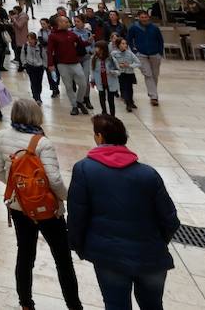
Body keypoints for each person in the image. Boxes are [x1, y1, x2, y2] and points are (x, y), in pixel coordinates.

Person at [68, 115, 179, 310]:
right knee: (153, 306)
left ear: (100, 137)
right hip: (151, 256)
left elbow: (77, 216)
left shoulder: (84, 169)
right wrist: (157, 242)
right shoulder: (148, 173)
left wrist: (79, 246)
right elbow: (170, 220)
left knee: (116, 306)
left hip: (109, 257)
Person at [0, 99, 82, 310]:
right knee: (62, 259)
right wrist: (66, 198)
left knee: (25, 254)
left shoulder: (2, 136)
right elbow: (54, 179)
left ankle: (26, 303)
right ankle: (74, 305)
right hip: (48, 209)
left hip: (19, 208)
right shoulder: (42, 142)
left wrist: (18, 187)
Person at [47, 15, 89, 116]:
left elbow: (81, 44)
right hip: (62, 65)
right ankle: (74, 106)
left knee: (83, 84)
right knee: (69, 86)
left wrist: (89, 41)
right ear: (59, 23)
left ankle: (79, 101)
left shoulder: (72, 34)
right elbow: (49, 51)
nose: (68, 24)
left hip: (75, 63)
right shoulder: (52, 36)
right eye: (66, 22)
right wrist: (50, 64)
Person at [125, 11, 164, 107]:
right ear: (138, 18)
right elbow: (129, 39)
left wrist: (160, 52)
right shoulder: (134, 28)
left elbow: (160, 40)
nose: (144, 19)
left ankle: (152, 92)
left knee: (155, 75)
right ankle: (153, 96)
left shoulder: (154, 28)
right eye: (142, 17)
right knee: (148, 74)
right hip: (141, 54)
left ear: (148, 17)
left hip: (155, 54)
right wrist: (134, 52)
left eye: (145, 17)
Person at [111, 36, 141, 113]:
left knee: (130, 89)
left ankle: (131, 101)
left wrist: (129, 65)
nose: (125, 45)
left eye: (125, 43)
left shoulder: (130, 53)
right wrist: (118, 65)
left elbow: (138, 63)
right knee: (124, 89)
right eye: (123, 43)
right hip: (121, 74)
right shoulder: (114, 53)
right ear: (118, 45)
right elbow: (111, 63)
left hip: (129, 73)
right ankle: (128, 104)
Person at [89, 41, 119, 116]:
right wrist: (92, 80)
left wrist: (112, 72)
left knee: (111, 100)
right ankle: (104, 112)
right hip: (100, 82)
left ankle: (112, 116)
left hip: (110, 82)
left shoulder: (111, 59)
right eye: (95, 47)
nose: (96, 49)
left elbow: (118, 71)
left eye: (97, 47)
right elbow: (92, 70)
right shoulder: (94, 59)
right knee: (102, 98)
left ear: (103, 49)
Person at [19, 32, 46, 102]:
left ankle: (38, 94)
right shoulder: (25, 46)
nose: (30, 41)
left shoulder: (40, 46)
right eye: (28, 39)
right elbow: (22, 55)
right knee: (33, 82)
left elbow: (44, 56)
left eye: (31, 39)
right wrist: (24, 64)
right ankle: (36, 97)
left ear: (35, 39)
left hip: (39, 67)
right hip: (30, 66)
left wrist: (45, 65)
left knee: (39, 82)